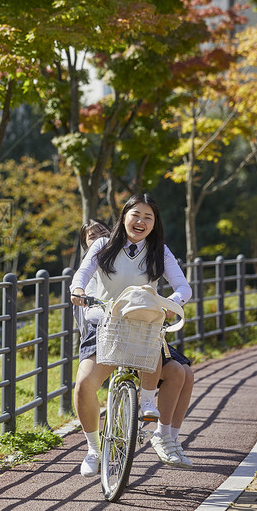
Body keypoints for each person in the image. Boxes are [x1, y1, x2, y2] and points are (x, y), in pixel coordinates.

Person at [69, 194, 194, 476]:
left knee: (179, 371)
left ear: (154, 224)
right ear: (124, 216)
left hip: (142, 325)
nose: (141, 222)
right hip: (104, 324)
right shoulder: (103, 245)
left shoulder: (159, 250)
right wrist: (77, 291)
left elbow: (183, 287)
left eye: (148, 218)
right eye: (136, 214)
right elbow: (82, 274)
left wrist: (171, 303)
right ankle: (93, 448)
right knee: (83, 386)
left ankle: (153, 412)